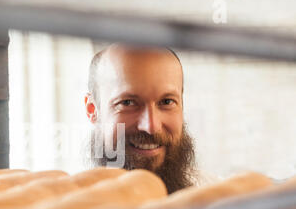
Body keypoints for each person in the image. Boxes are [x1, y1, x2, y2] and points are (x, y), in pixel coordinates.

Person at [84, 44, 218, 193]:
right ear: (92, 110)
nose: (151, 126)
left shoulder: (219, 201)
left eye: (167, 102)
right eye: (127, 103)